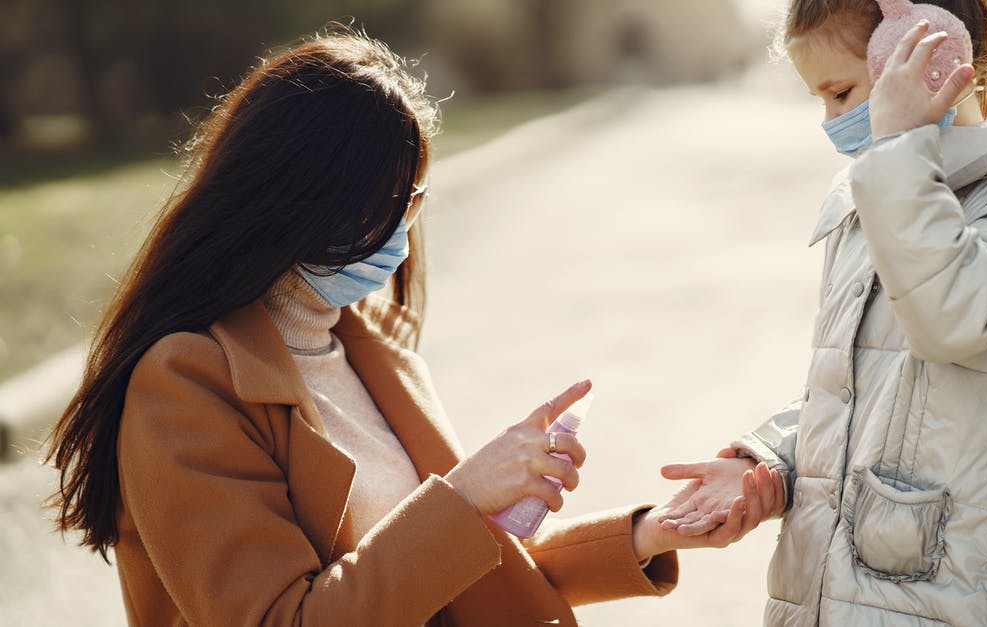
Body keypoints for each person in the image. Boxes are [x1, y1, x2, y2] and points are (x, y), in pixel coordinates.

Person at [44, 31, 772, 627]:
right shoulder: (186, 382)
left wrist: (647, 533)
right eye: (375, 205)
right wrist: (462, 495)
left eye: (410, 201)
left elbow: (453, 573)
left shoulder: (368, 340)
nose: (398, 232)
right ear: (289, 200)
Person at [656, 0, 987, 625]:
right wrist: (767, 462)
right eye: (821, 101)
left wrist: (898, 152)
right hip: (844, 585)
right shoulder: (880, 192)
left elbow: (953, 320)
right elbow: (861, 392)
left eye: (841, 92)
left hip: (958, 588)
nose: (831, 121)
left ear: (931, 59)